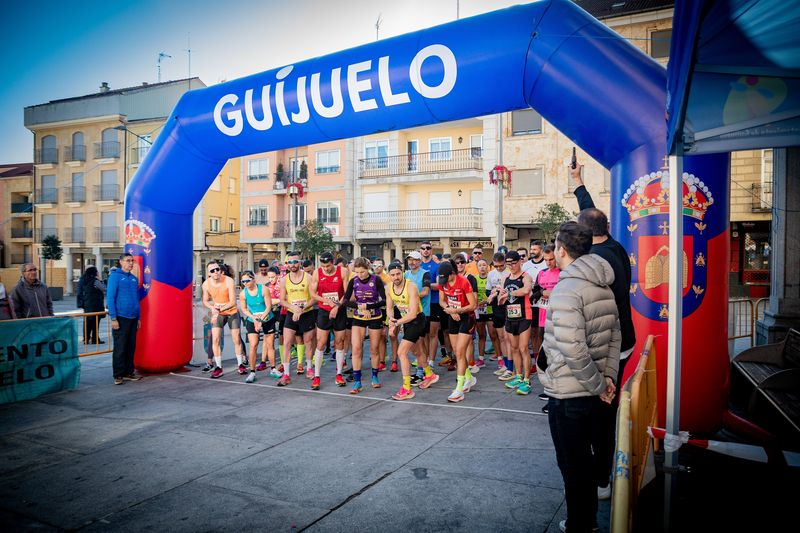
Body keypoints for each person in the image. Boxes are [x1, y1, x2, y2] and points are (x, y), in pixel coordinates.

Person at [538, 221, 620, 533]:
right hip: (594, 389)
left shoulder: (566, 289)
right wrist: (607, 378)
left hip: (570, 394)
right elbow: (616, 336)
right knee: (585, 462)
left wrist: (601, 385)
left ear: (561, 249)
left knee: (573, 467)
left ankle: (580, 525)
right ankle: (585, 522)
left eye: (555, 247)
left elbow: (574, 349)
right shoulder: (603, 285)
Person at [571, 161, 637, 500]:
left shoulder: (598, 262)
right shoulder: (612, 245)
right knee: (598, 405)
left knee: (602, 408)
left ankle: (602, 479)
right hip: (620, 339)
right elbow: (590, 215)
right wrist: (578, 183)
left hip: (609, 345)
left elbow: (598, 311)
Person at [386, 262, 431, 400]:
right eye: (393, 275)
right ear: (389, 276)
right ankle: (430, 375)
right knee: (416, 351)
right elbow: (389, 308)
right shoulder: (388, 288)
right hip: (406, 322)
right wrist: (391, 321)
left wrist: (395, 324)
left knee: (401, 352)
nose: (396, 277)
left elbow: (412, 314)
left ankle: (407, 389)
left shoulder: (411, 286)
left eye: (398, 274)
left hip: (417, 320)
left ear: (403, 273)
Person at [343, 257, 386, 393]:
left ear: (368, 269)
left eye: (362, 272)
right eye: (357, 272)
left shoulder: (376, 280)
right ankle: (357, 381)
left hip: (375, 316)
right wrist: (360, 307)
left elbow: (384, 300)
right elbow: (345, 301)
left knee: (374, 349)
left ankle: (374, 376)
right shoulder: (353, 281)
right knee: (356, 349)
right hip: (359, 317)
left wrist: (369, 306)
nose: (360, 275)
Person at [438, 260, 478, 403]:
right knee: (456, 351)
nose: (443, 282)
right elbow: (441, 301)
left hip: (467, 317)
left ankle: (459, 389)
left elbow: (473, 305)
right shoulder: (442, 282)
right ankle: (469, 378)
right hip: (452, 316)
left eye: (446, 278)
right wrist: (448, 309)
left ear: (452, 274)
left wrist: (457, 310)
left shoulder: (463, 282)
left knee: (460, 352)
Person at [309, 251, 349, 389]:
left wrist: (337, 306)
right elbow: (312, 293)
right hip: (324, 311)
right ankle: (317, 376)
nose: (326, 268)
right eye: (324, 266)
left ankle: (339, 374)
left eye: (328, 265)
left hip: (339, 310)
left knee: (339, 341)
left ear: (333, 262)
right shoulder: (317, 273)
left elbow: (347, 293)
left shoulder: (343, 271)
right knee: (321, 342)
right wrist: (325, 300)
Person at [498, 250, 534, 395]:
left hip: (525, 316)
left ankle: (526, 380)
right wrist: (500, 297)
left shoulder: (526, 276)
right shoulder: (505, 277)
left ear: (520, 262)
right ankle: (518, 376)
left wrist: (509, 293)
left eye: (514, 263)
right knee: (513, 348)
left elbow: (526, 290)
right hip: (510, 316)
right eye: (509, 264)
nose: (511, 266)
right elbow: (501, 293)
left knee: (523, 348)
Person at [278, 251, 317, 386]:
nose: (293, 265)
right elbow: (282, 300)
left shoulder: (308, 278)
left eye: (295, 262)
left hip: (307, 313)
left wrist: (302, 308)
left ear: (299, 263)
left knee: (308, 341)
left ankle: (309, 368)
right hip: (291, 313)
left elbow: (314, 298)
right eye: (290, 262)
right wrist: (294, 308)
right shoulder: (284, 279)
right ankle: (287, 374)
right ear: (287, 264)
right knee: (287, 342)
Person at [202, 261, 246, 378]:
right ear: (209, 273)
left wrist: (217, 310)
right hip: (219, 313)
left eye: (217, 269)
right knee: (215, 338)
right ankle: (218, 367)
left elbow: (232, 301)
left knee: (236, 338)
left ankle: (240, 364)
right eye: (212, 271)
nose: (216, 272)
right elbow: (205, 300)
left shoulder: (229, 281)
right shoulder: (206, 284)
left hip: (231, 311)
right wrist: (212, 307)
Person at [107, 254, 143, 385]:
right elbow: (110, 298)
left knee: (130, 347)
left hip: (133, 318)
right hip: (121, 318)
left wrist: (138, 318)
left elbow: (136, 300)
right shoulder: (114, 277)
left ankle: (129, 372)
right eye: (128, 261)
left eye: (132, 261)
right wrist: (113, 318)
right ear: (121, 262)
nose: (131, 263)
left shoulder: (133, 279)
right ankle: (118, 375)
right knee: (120, 348)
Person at [531, 244, 560, 411]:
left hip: (557, 320)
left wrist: (551, 292)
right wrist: (541, 292)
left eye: (552, 259)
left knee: (556, 357)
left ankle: (555, 394)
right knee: (546, 355)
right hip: (543, 320)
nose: (549, 263)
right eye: (547, 260)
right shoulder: (541, 273)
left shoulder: (563, 273)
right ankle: (549, 389)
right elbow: (536, 291)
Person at [405, 251, 436, 387]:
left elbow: (425, 291)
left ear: (419, 261)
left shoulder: (425, 273)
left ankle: (421, 371)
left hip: (423, 313)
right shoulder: (405, 274)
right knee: (413, 345)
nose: (412, 262)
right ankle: (423, 369)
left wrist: (412, 296)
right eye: (409, 260)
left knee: (421, 342)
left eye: (414, 260)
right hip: (408, 314)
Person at [238, 270, 271, 383]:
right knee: (253, 345)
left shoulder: (263, 289)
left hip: (267, 317)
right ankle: (252, 372)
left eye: (247, 280)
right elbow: (244, 309)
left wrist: (261, 319)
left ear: (254, 279)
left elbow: (268, 306)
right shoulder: (243, 293)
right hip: (253, 319)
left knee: (270, 344)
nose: (245, 283)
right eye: (243, 281)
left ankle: (273, 368)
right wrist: (254, 318)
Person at [77, 266, 106, 344]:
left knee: (87, 321)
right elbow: (103, 288)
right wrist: (100, 280)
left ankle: (86, 339)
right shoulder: (95, 281)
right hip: (96, 304)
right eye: (97, 271)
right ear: (94, 273)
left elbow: (79, 292)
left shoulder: (83, 280)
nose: (98, 273)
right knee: (96, 322)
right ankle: (95, 339)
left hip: (87, 304)